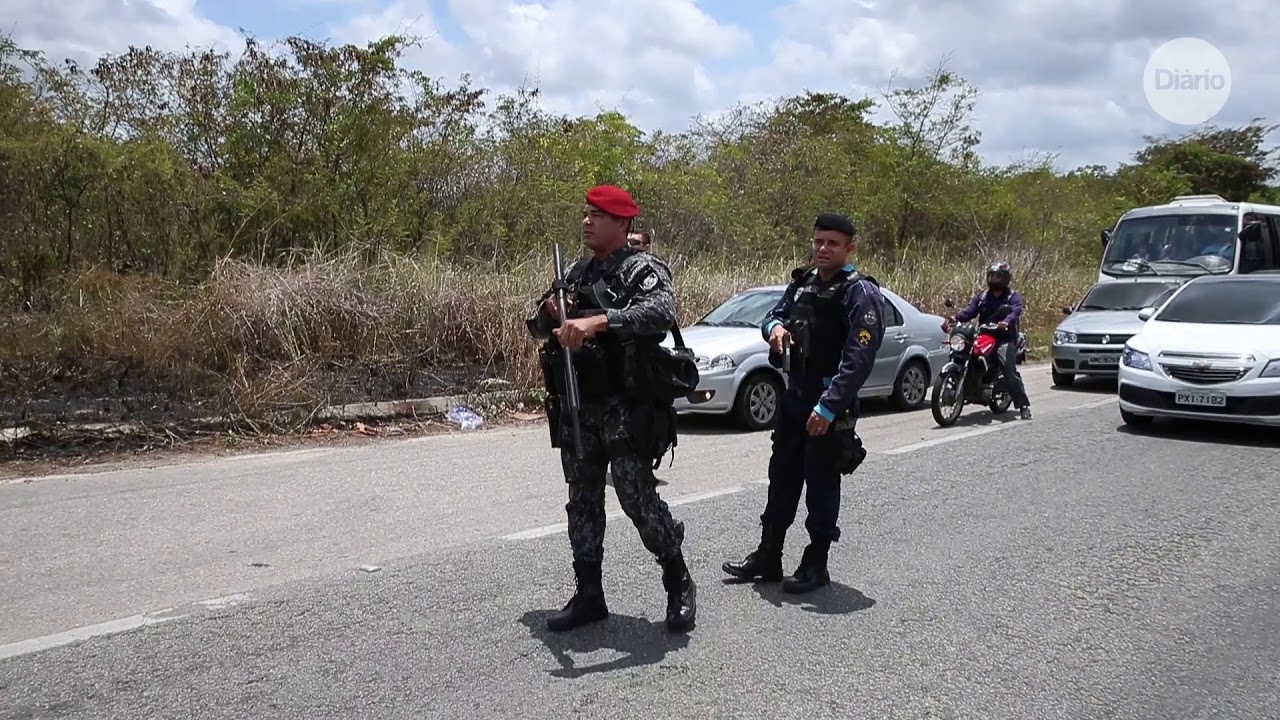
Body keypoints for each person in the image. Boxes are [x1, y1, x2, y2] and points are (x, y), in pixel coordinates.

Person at [526, 184, 696, 633]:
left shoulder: (641, 269)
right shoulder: (577, 272)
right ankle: (588, 595)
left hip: (626, 405)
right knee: (581, 501)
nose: (587, 221)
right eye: (586, 214)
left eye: (598, 216)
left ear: (622, 224)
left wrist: (598, 321)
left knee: (636, 498)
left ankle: (678, 580)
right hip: (580, 406)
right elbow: (536, 327)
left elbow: (662, 311)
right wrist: (551, 311)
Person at [722, 212, 884, 593]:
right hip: (795, 396)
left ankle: (816, 562)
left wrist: (828, 407)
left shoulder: (860, 292)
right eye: (818, 241)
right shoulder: (804, 283)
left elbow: (858, 357)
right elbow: (774, 316)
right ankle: (769, 555)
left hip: (830, 402)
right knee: (782, 477)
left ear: (850, 248)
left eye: (832, 243)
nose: (822, 249)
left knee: (821, 482)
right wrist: (773, 328)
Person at [943, 261, 1032, 420]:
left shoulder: (1013, 296)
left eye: (997, 276)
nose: (993, 279)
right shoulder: (983, 296)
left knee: (1008, 370)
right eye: (991, 275)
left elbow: (1016, 311)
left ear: (1005, 278)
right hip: (984, 335)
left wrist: (1007, 321)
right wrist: (955, 318)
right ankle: (970, 385)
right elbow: (970, 311)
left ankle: (1023, 406)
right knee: (966, 352)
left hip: (1004, 338)